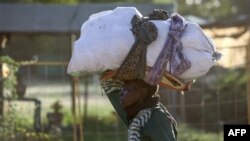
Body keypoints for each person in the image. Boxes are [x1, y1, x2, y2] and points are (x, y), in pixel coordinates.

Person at [100, 74, 178, 141]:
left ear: (143, 92)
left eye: (127, 90)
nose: (121, 94)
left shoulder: (156, 116)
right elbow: (112, 89)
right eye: (122, 89)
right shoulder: (135, 111)